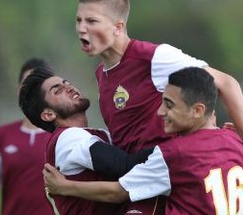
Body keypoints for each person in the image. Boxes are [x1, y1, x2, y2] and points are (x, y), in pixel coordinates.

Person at [42, 67, 243, 214]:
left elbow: (119, 191)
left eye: (169, 104)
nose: (160, 112)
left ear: (198, 110)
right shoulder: (231, 140)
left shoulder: (174, 154)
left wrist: (67, 187)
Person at [76, 0, 243, 172]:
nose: (81, 29)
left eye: (92, 21)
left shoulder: (154, 57)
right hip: (140, 182)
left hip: (174, 180)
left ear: (118, 27)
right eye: (79, 20)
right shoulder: (101, 73)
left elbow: (226, 83)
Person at [18, 68, 157, 215]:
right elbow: (125, 166)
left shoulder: (98, 134)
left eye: (67, 83)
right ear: (48, 114)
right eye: (57, 91)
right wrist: (175, 147)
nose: (69, 88)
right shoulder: (67, 138)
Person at [0, 58, 54, 215]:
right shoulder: (0, 136)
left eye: (38, 85)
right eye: (26, 84)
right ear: (18, 89)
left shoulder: (63, 136)